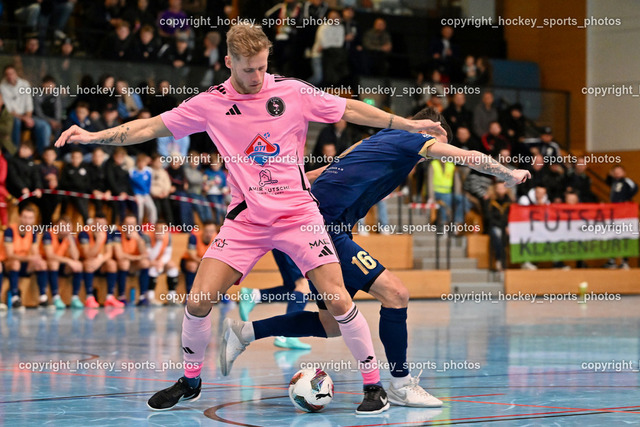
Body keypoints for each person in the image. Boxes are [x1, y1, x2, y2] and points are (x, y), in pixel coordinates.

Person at [55, 23, 448, 415]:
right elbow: (148, 126)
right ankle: (190, 381)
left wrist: (408, 124)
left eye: (262, 66)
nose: (258, 76)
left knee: (338, 299)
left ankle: (373, 386)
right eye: (249, 69)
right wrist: (93, 137)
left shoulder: (292, 91)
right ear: (229, 62)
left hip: (298, 215)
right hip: (247, 220)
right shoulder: (210, 103)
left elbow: (351, 109)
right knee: (198, 300)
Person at [230, 107, 530, 407]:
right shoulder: (414, 139)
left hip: (321, 226)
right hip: (324, 228)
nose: (433, 154)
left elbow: (320, 173)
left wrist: (267, 195)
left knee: (331, 324)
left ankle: (245, 332)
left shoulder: (373, 140)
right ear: (428, 129)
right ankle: (400, 384)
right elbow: (471, 157)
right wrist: (510, 174)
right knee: (395, 294)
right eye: (437, 143)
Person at [4, 206, 48, 309]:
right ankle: (15, 297)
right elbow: (10, 255)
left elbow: (35, 251)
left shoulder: (32, 232)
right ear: (19, 217)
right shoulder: (10, 230)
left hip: (25, 263)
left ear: (33, 220)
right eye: (25, 217)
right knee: (15, 263)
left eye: (30, 218)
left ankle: (43, 297)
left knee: (41, 264)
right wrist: (30, 258)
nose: (27, 221)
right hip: (8, 264)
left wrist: (36, 259)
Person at [40, 217, 84, 309]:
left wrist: (71, 239)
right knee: (54, 263)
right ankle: (55, 297)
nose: (64, 229)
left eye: (67, 227)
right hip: (46, 264)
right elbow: (50, 255)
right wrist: (68, 261)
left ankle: (75, 297)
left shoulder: (70, 237)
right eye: (62, 226)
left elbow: (75, 257)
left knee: (78, 265)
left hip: (61, 264)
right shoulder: (48, 234)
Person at [78, 213, 118, 307]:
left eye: (102, 224)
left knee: (112, 264)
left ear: (106, 224)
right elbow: (87, 255)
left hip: (99, 262)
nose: (99, 226)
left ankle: (110, 297)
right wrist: (99, 241)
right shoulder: (84, 233)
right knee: (89, 264)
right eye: (97, 223)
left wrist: (100, 260)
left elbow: (109, 253)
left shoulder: (107, 233)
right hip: (86, 262)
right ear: (93, 223)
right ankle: (89, 297)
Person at [112, 213, 151, 305]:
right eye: (127, 224)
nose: (130, 226)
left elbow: (145, 254)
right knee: (124, 263)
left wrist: (139, 239)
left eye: (132, 224)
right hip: (121, 263)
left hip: (134, 264)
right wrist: (137, 257)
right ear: (123, 224)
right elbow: (119, 255)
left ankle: (142, 297)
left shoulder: (140, 234)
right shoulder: (117, 233)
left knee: (145, 263)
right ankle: (121, 296)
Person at [180, 220, 217, 295]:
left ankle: (222, 295)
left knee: (219, 268)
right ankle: (189, 295)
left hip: (206, 262)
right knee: (192, 265)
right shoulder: (194, 237)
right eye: (207, 231)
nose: (209, 234)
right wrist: (205, 263)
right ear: (203, 229)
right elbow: (192, 255)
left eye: (211, 231)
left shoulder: (217, 239)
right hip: (189, 261)